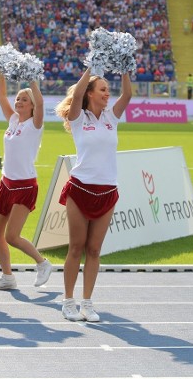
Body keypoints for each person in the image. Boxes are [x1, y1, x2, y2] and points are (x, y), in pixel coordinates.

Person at [54, 68, 132, 322]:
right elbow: (76, 95)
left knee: (95, 250)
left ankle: (87, 303)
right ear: (89, 93)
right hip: (80, 188)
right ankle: (68, 301)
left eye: (108, 90)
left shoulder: (112, 116)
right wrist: (92, 67)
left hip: (107, 189)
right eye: (102, 89)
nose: (108, 93)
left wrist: (125, 70)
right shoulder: (79, 118)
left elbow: (128, 94)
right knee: (76, 247)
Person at [0, 74, 52, 290]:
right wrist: (0, 72)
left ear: (32, 105)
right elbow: (1, 94)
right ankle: (8, 277)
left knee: (12, 236)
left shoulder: (35, 124)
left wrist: (32, 78)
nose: (19, 102)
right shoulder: (14, 120)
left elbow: (41, 102)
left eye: (24, 99)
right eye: (18, 98)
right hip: (6, 183)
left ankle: (42, 264)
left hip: (24, 186)